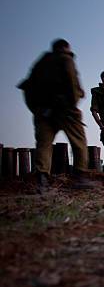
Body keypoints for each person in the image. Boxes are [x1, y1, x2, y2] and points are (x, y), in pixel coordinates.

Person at [17, 38, 93, 192]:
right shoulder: (66, 59)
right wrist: (73, 103)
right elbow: (72, 83)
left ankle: (42, 179)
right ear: (66, 47)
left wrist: (36, 110)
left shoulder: (39, 65)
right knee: (79, 142)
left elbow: (26, 88)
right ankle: (80, 177)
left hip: (43, 112)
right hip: (65, 110)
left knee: (43, 145)